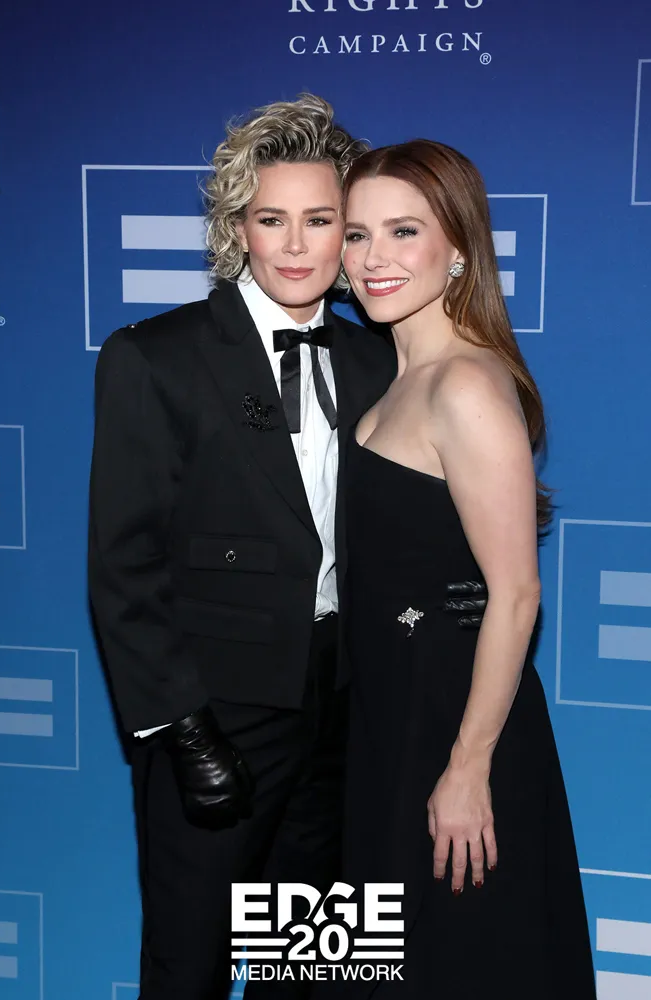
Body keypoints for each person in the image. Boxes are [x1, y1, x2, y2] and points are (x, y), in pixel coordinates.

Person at [88, 97, 475, 1000]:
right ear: (237, 229)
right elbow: (123, 565)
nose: (296, 246)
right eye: (271, 220)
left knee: (309, 962)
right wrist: (182, 730)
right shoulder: (155, 357)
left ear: (349, 231)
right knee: (189, 961)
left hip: (350, 707)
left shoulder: (378, 359)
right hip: (216, 712)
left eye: (321, 220)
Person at [333, 141, 597, 998]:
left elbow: (515, 595)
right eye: (356, 233)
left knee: (459, 962)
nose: (373, 258)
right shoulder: (388, 377)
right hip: (385, 717)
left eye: (402, 231)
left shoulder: (465, 386)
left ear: (458, 248)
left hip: (451, 725)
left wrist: (467, 766)